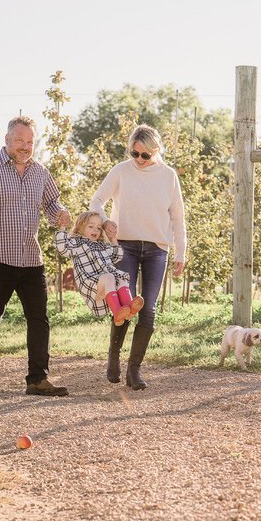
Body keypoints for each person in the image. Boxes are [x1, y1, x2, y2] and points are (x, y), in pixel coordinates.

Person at [0, 116, 71, 396]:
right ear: (7, 140)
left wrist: (60, 214)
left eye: (30, 141)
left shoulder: (40, 172)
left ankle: (37, 379)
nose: (25, 146)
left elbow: (52, 203)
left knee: (39, 319)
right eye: (20, 140)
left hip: (31, 259)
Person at [90, 124, 186, 390]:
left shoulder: (168, 176)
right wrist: (106, 221)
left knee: (148, 309)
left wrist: (181, 252)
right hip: (125, 246)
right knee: (125, 303)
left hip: (157, 249)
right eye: (135, 154)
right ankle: (113, 357)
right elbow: (96, 201)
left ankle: (134, 369)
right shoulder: (121, 171)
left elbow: (178, 218)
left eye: (145, 155)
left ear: (156, 150)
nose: (139, 160)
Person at [55, 211, 145, 326]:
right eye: (91, 226)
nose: (95, 230)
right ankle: (117, 312)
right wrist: (62, 226)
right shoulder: (76, 243)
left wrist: (113, 238)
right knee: (109, 277)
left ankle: (129, 308)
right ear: (80, 227)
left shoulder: (102, 245)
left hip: (104, 280)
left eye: (98, 228)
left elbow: (117, 256)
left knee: (120, 277)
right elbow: (62, 247)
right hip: (89, 281)